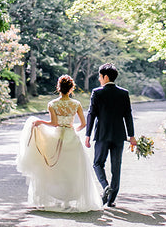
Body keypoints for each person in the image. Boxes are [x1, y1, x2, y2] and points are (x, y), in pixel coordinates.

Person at [15, 74, 103, 212]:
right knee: (72, 169)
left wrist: (40, 122)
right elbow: (83, 124)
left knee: (57, 168)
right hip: (72, 138)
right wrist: (73, 130)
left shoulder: (53, 104)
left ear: (58, 88)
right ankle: (67, 200)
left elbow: (54, 123)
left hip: (57, 138)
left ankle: (58, 198)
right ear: (71, 88)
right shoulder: (76, 104)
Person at [84, 63, 136, 208]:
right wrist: (131, 135)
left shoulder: (97, 93)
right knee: (116, 166)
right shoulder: (124, 93)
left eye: (100, 77)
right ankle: (111, 199)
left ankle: (105, 186)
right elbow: (128, 115)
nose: (99, 79)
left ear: (106, 77)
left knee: (97, 163)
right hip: (119, 136)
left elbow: (91, 114)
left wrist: (87, 135)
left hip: (102, 134)